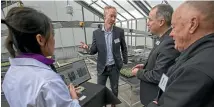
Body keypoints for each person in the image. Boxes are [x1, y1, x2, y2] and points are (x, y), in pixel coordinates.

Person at [2, 7, 80, 107]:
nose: (54, 40)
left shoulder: (10, 75)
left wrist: (61, 94)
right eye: (52, 34)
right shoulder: (49, 81)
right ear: (40, 39)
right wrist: (74, 99)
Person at [147, 1, 214, 107]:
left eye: (173, 27)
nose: (171, 34)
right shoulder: (199, 54)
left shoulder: (195, 70)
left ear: (192, 25)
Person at [131, 4, 180, 106]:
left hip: (154, 97)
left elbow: (159, 76)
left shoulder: (169, 42)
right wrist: (145, 66)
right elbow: (160, 63)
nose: (147, 24)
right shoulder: (162, 39)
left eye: (150, 20)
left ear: (161, 22)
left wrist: (138, 73)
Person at [80, 6, 127, 101]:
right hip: (102, 68)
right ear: (105, 16)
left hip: (115, 67)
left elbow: (124, 47)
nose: (113, 19)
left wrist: (124, 62)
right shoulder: (96, 33)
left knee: (115, 89)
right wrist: (87, 48)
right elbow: (94, 50)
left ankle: (114, 104)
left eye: (115, 16)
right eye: (111, 16)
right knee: (99, 89)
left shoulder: (119, 32)